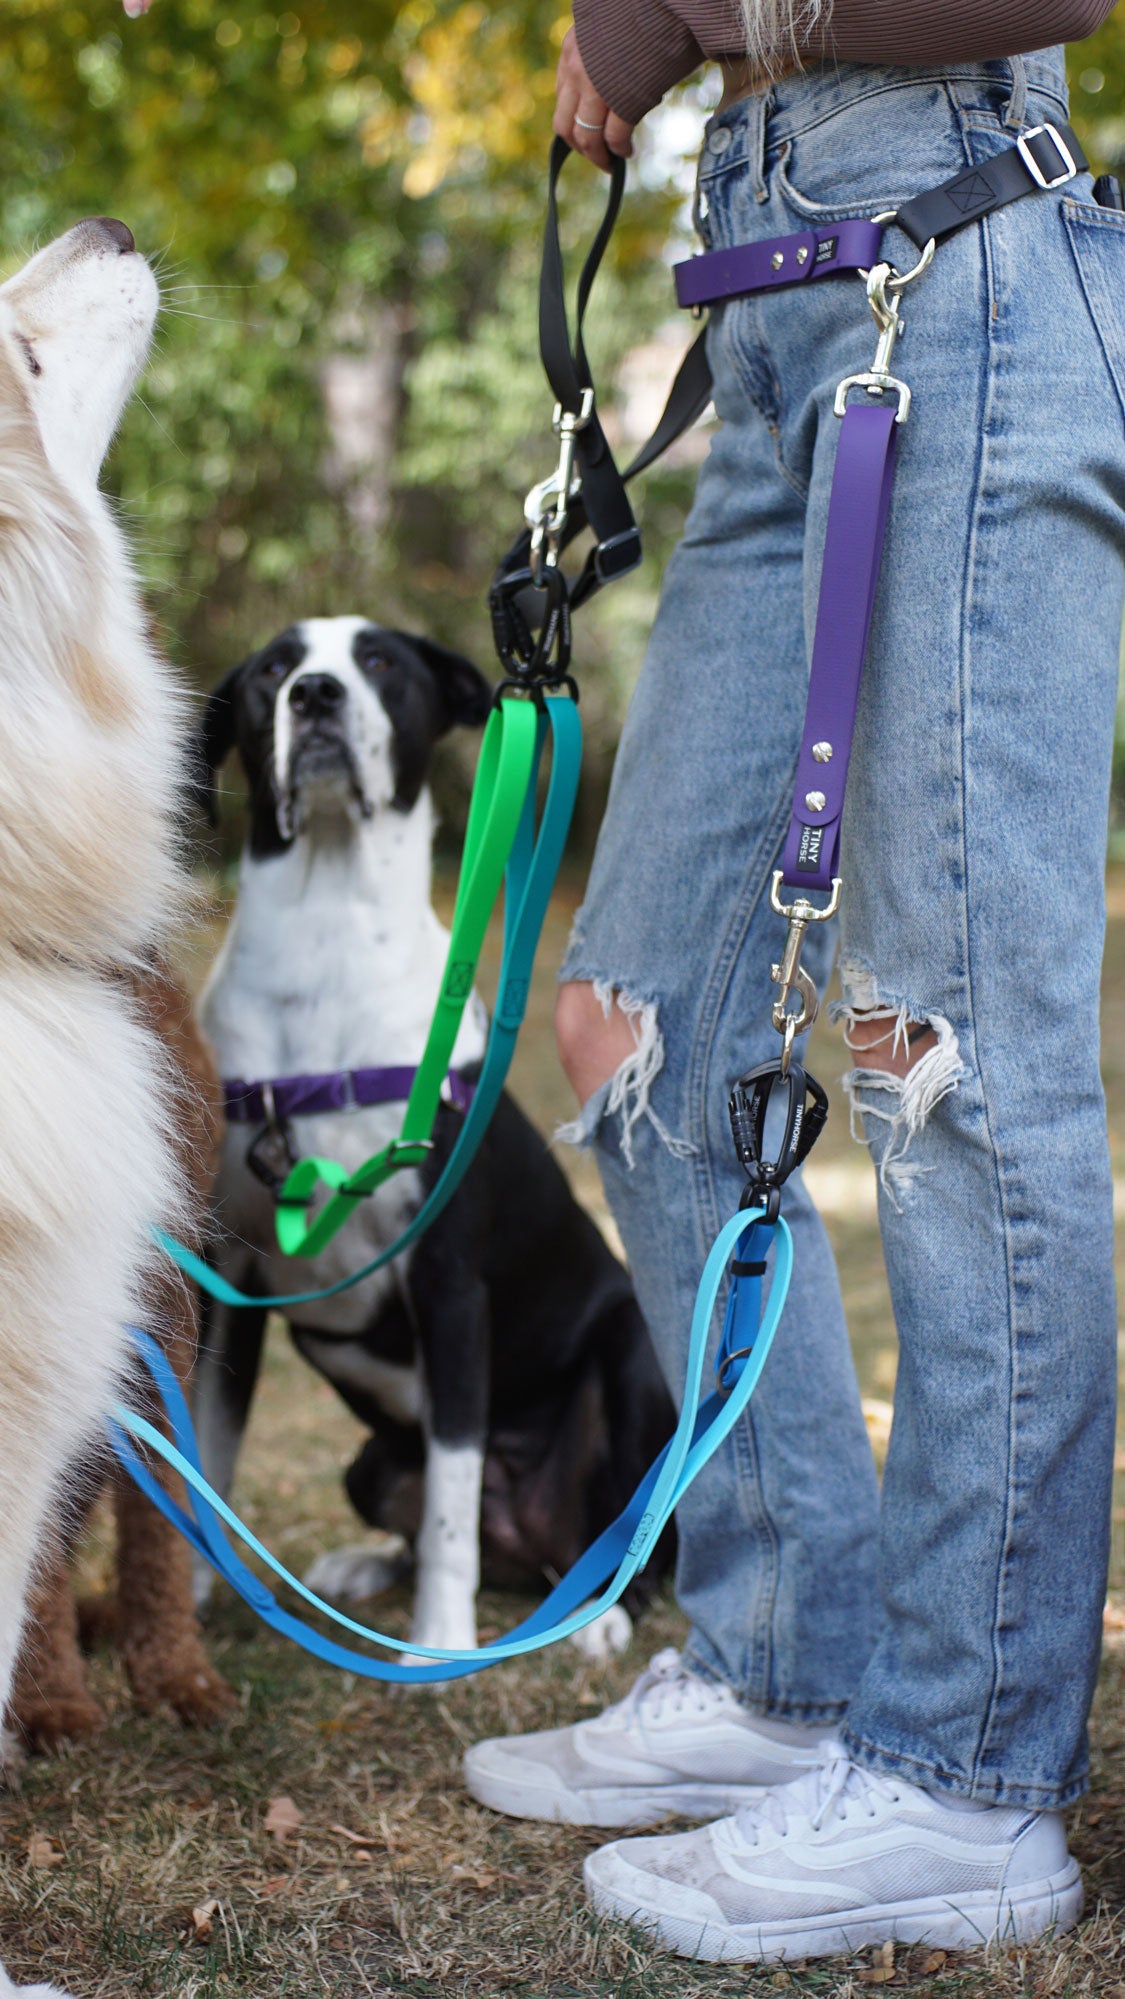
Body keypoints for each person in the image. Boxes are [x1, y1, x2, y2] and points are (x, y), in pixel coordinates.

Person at [464, 0, 1125, 1964]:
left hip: (957, 271)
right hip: (767, 316)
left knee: (942, 1054)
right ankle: (785, 1657)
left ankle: (961, 1775)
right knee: (632, 1018)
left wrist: (668, 11)